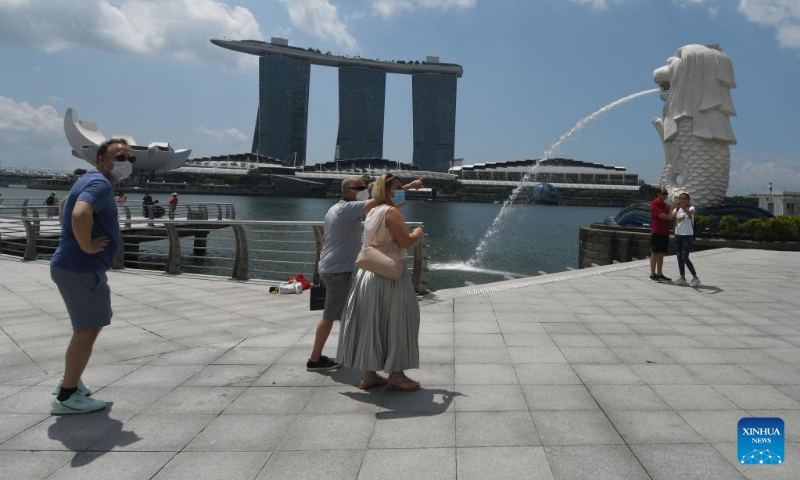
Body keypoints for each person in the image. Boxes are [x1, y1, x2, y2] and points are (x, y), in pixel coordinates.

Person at [49, 138, 135, 414]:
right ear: (101, 159)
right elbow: (78, 214)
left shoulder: (90, 179)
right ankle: (67, 396)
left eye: (129, 158)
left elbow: (64, 205)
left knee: (96, 321)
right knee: (86, 331)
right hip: (81, 269)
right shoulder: (99, 184)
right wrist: (85, 245)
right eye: (119, 156)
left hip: (76, 267)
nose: (126, 162)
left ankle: (70, 378)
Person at [307, 174, 424, 372]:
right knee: (331, 315)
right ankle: (315, 359)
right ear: (347, 192)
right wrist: (410, 187)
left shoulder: (334, 209)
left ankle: (363, 362)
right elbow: (382, 201)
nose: (364, 190)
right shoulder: (348, 207)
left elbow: (326, 240)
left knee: (345, 313)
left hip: (330, 266)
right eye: (359, 187)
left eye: (365, 186)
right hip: (338, 269)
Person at [337, 173, 424, 391]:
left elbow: (392, 211)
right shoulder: (390, 212)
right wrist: (417, 232)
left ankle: (369, 375)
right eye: (395, 189)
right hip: (390, 275)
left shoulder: (372, 212)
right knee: (397, 321)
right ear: (385, 192)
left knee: (371, 322)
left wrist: (409, 188)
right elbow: (405, 241)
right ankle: (397, 375)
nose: (398, 193)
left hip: (369, 275)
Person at [670, 192, 701, 287]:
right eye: (681, 199)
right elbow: (671, 217)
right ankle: (682, 278)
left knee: (684, 257)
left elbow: (689, 213)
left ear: (688, 200)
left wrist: (682, 206)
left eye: (684, 199)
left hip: (687, 236)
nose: (682, 200)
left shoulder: (691, 208)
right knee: (679, 257)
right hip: (678, 235)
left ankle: (695, 277)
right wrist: (672, 206)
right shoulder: (677, 209)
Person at [650, 187, 672, 282]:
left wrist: (674, 208)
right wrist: (671, 217)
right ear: (658, 194)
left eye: (666, 193)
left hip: (665, 231)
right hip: (657, 231)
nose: (665, 195)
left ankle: (659, 273)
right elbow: (661, 216)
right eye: (663, 193)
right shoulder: (655, 203)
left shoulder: (666, 205)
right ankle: (652, 273)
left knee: (661, 253)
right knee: (655, 252)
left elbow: (671, 214)